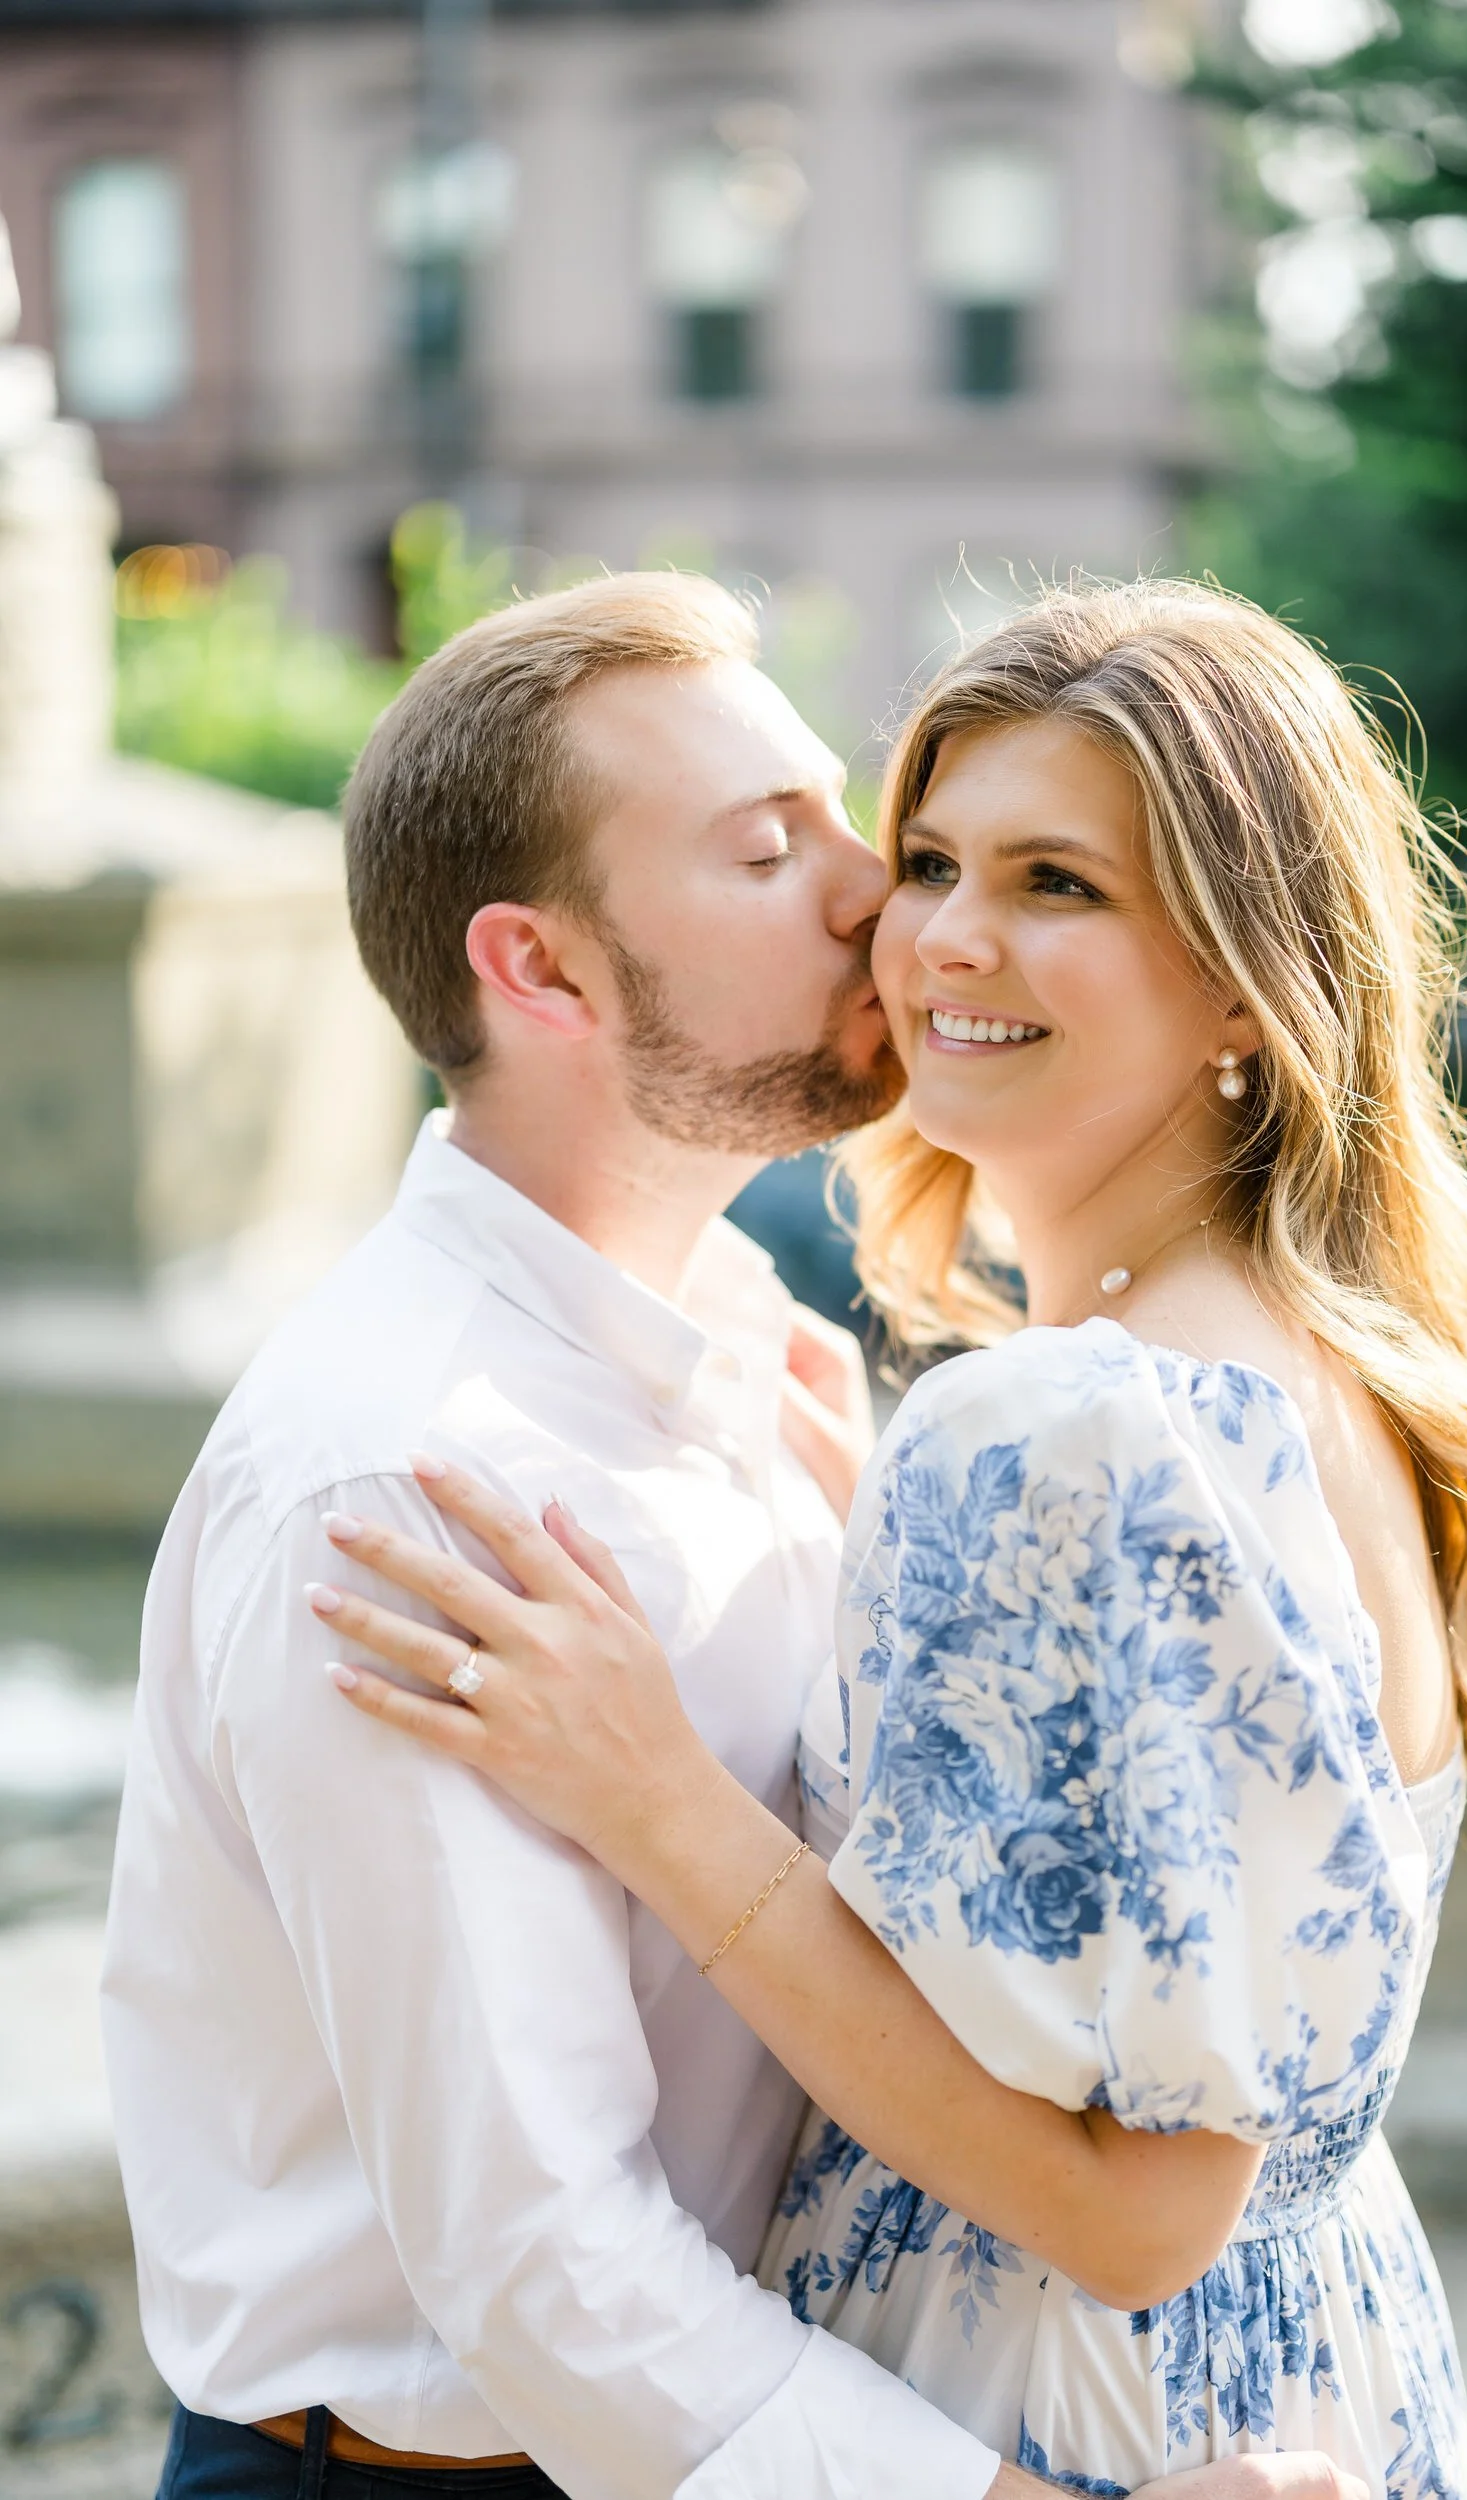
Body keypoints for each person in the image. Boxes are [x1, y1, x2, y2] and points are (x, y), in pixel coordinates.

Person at [315, 582, 1467, 2498]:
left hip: (1047, 2397)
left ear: (1250, 986)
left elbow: (1141, 2207)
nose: (933, 933)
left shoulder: (1077, 1431)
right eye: (930, 855)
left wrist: (663, 1804)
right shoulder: (1293, 1368)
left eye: (1059, 885)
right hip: (1299, 2366)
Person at [102, 573, 1352, 2500]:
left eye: (852, 824)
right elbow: (543, 2270)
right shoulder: (410, 1494)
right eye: (776, 853)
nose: (883, 898)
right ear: (546, 973)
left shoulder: (764, 1374)